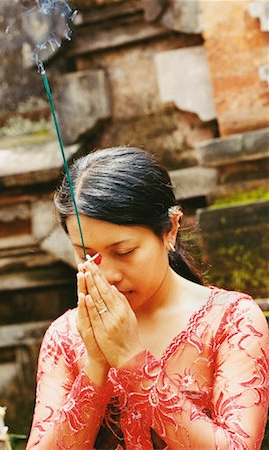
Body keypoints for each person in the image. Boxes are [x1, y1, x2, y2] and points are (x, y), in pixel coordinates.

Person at [26, 147, 269, 450]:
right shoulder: (64, 336)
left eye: (123, 252)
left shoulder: (232, 322)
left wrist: (133, 361)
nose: (109, 274)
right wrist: (96, 365)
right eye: (87, 255)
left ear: (170, 229)